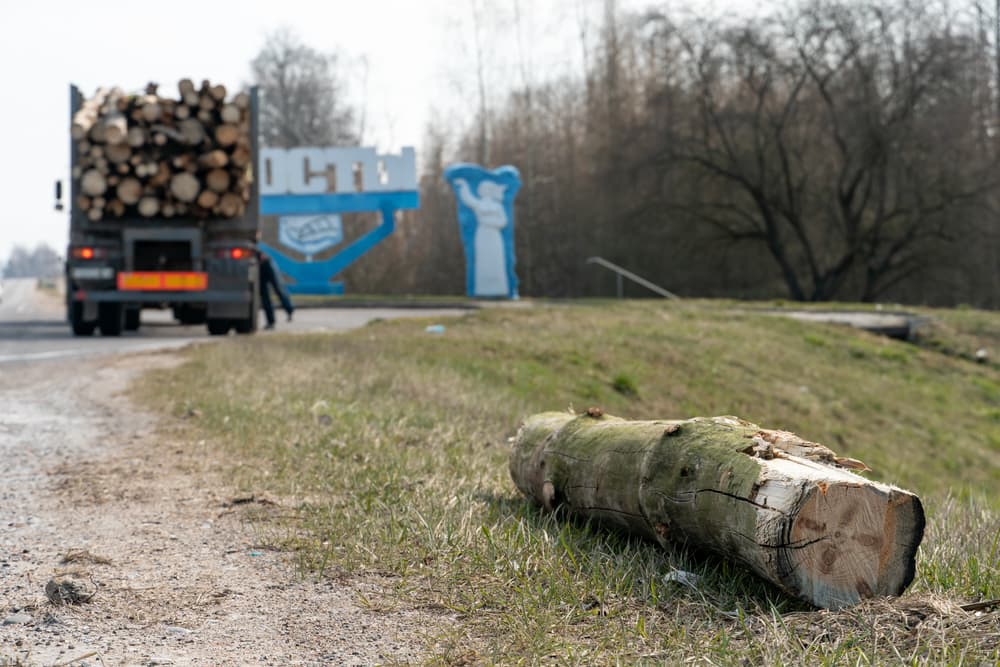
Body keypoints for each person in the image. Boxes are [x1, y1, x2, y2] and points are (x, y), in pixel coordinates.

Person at [257, 249, 294, 329]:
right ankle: (271, 322)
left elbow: (262, 255)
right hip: (261, 267)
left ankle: (289, 309)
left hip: (266, 265)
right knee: (265, 296)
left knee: (278, 289)